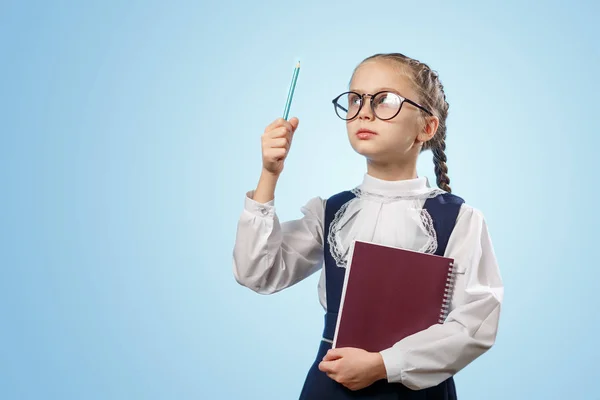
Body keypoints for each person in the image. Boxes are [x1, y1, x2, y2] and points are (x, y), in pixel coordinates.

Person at [231, 52, 504, 399]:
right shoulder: (332, 212)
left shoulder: (459, 220)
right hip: (331, 385)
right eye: (355, 99)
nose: (364, 111)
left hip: (416, 389)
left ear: (427, 126)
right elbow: (257, 272)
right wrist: (269, 175)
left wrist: (382, 364)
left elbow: (476, 324)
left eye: (385, 100)